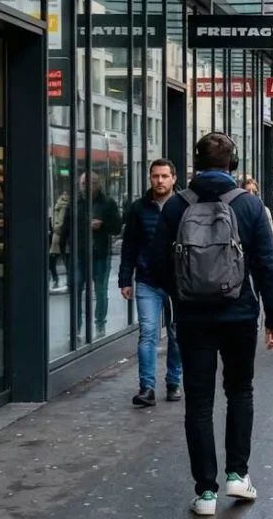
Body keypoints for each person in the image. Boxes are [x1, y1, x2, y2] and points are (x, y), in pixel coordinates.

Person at [147, 133, 273, 517]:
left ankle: (205, 493)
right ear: (233, 164)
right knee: (240, 391)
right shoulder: (250, 205)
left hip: (192, 320)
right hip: (240, 315)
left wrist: (183, 292)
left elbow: (156, 265)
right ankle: (238, 475)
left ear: (194, 164)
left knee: (200, 403)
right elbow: (268, 268)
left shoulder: (176, 206)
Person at [118, 159, 183, 408]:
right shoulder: (139, 208)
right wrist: (125, 279)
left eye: (165, 176)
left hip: (177, 282)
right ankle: (147, 388)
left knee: (177, 335)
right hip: (147, 280)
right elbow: (129, 246)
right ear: (150, 178)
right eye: (155, 176)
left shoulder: (183, 206)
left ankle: (174, 382)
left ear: (173, 178)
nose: (160, 181)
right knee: (148, 334)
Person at [64, 171, 122, 335]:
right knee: (76, 290)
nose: (87, 187)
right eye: (83, 184)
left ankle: (99, 323)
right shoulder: (74, 203)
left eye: (91, 184)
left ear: (98, 185)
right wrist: (65, 252)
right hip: (79, 254)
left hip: (100, 254)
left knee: (100, 290)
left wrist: (102, 225)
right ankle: (76, 326)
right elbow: (66, 229)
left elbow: (117, 227)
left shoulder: (108, 203)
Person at [49, 190, 70, 292]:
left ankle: (57, 279)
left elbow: (59, 220)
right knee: (59, 257)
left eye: (66, 194)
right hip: (59, 234)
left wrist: (56, 227)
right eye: (64, 193)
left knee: (61, 257)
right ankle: (57, 279)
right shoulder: (59, 205)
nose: (65, 195)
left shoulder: (61, 205)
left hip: (60, 233)